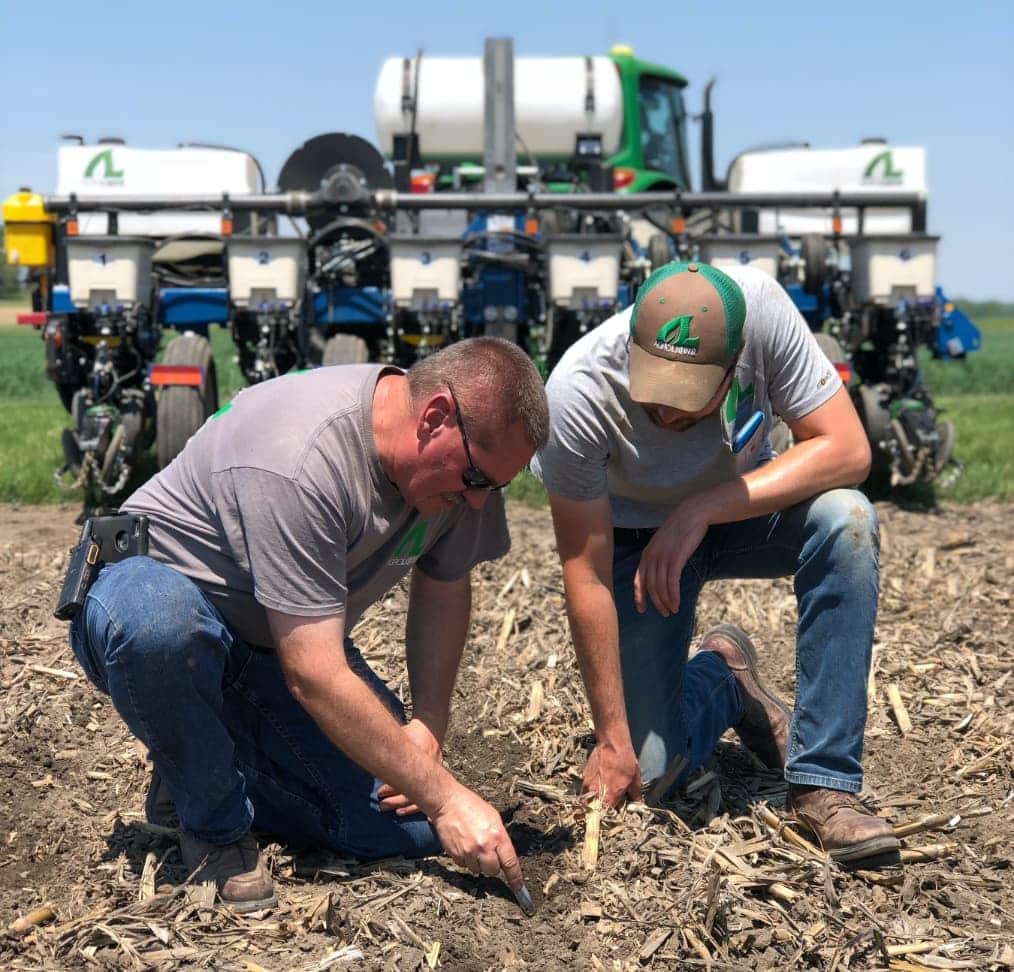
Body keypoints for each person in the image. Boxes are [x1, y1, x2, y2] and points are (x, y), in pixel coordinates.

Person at [67, 337, 549, 911]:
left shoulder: (464, 469)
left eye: (495, 487)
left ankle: (196, 761)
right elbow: (314, 672)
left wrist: (427, 729)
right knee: (161, 626)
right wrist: (445, 798)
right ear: (435, 417)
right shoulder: (300, 457)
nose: (478, 503)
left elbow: (444, 585)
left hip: (264, 639)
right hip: (148, 598)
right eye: (476, 481)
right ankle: (213, 820)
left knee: (392, 828)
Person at [532, 260, 900, 864]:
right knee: (654, 779)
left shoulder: (762, 312)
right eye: (655, 392)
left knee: (847, 518)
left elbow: (850, 449)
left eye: (689, 399)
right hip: (634, 543)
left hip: (739, 512)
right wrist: (611, 736)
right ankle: (725, 678)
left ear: (734, 365)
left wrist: (701, 508)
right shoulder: (575, 393)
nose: (669, 415)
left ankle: (823, 783)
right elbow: (586, 573)